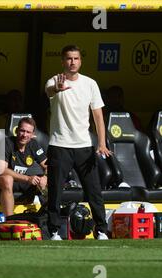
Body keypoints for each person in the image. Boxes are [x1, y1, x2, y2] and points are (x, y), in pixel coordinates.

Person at [45, 44, 111, 241]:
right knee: (56, 190)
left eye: (76, 58)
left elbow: (98, 115)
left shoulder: (90, 83)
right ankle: (54, 231)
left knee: (94, 191)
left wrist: (102, 143)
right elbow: (49, 90)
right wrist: (56, 89)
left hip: (84, 146)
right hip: (59, 145)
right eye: (68, 58)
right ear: (63, 61)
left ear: (80, 61)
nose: (72, 62)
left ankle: (101, 230)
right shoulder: (54, 81)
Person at [0, 117, 47, 216]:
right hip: (7, 182)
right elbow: (1, 170)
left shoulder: (34, 144)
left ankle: (48, 218)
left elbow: (47, 165)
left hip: (27, 182)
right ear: (16, 130)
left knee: (50, 180)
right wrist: (27, 178)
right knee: (8, 179)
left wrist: (45, 177)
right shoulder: (5, 142)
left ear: (32, 135)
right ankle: (10, 220)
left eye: (28, 132)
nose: (24, 135)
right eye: (22, 131)